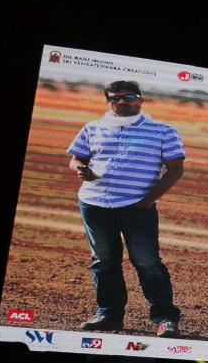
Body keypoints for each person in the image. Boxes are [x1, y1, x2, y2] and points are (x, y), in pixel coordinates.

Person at [68, 80, 185, 334]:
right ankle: (109, 315)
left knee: (147, 261)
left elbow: (176, 170)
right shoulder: (92, 127)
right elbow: (76, 159)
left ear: (140, 99)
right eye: (115, 98)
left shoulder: (163, 131)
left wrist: (148, 201)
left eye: (129, 97)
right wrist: (80, 168)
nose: (122, 101)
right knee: (104, 260)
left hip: (138, 207)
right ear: (108, 101)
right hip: (94, 204)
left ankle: (165, 318)